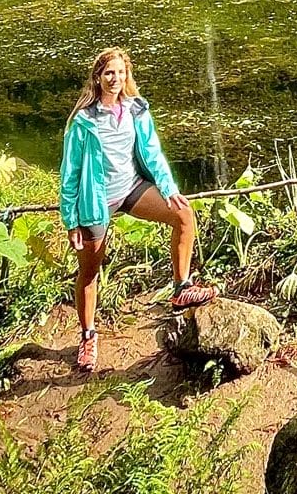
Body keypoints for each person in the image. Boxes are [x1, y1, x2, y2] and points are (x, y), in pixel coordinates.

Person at [59, 46, 216, 371]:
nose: (115, 79)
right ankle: (88, 336)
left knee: (184, 214)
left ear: (127, 76)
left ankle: (181, 287)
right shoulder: (84, 121)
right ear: (98, 78)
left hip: (131, 189)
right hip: (96, 200)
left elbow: (153, 153)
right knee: (90, 271)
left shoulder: (136, 109)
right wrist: (70, 219)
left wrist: (169, 188)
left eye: (120, 72)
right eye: (109, 73)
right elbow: (70, 172)